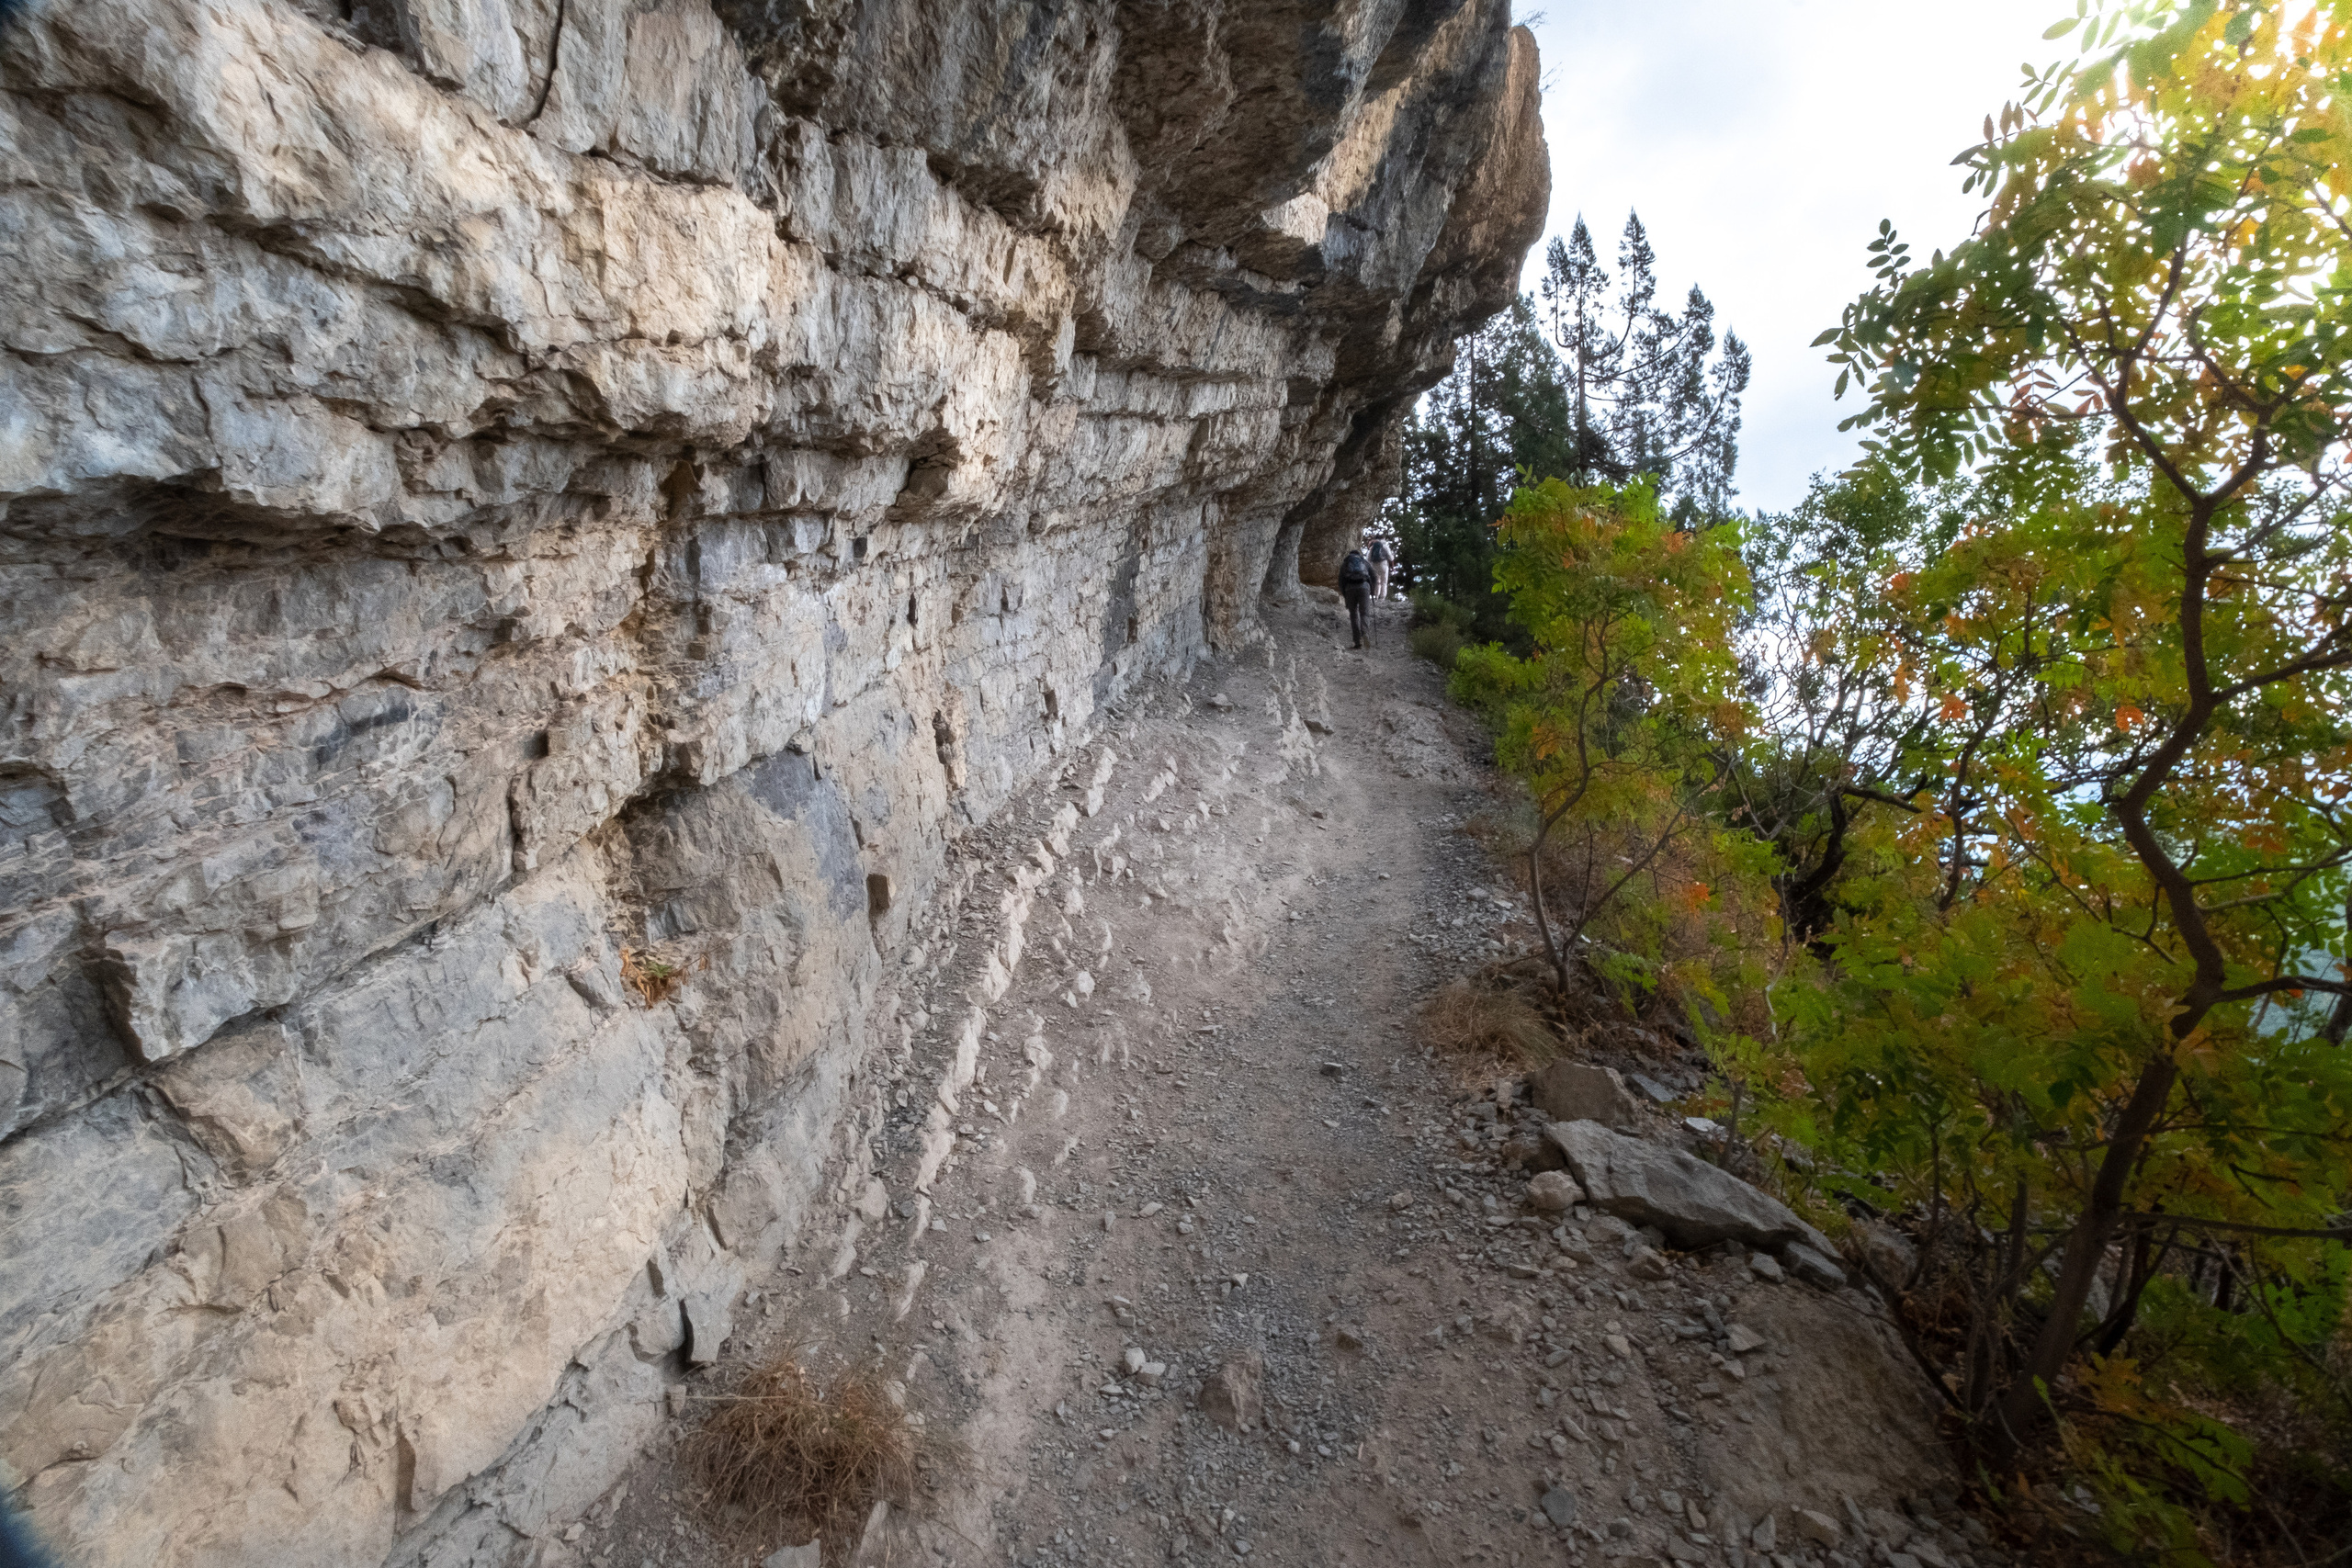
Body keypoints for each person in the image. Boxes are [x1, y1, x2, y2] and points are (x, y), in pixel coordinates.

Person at [1339, 546, 1373, 649]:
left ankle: (1357, 641)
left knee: (1353, 614)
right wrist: (1372, 590)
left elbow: (1341, 581)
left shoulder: (1345, 564)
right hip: (1364, 588)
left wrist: (1345, 595)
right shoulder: (1365, 562)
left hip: (1350, 589)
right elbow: (1373, 576)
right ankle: (1365, 633)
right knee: (1364, 613)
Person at [1367, 534, 1394, 600]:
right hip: (1383, 564)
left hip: (1374, 565)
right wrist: (1392, 566)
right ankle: (1382, 597)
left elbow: (1368, 558)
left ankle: (1376, 596)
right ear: (1383, 539)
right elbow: (1390, 557)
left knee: (1376, 581)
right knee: (1384, 582)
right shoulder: (1385, 546)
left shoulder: (1372, 547)